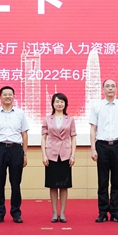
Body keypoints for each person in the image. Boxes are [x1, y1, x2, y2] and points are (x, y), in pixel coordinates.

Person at [89, 79, 118, 223]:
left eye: (113, 86)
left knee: (116, 181)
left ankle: (115, 212)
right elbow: (93, 129)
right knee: (102, 181)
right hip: (101, 145)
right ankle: (102, 212)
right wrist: (93, 148)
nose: (110, 88)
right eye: (107, 86)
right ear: (103, 89)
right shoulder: (97, 106)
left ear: (116, 89)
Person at [0, 86, 29, 223]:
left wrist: (25, 154)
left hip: (16, 149)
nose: (7, 97)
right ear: (0, 97)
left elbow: (24, 134)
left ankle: (16, 213)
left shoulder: (20, 114)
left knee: (15, 183)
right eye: (4, 94)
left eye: (10, 94)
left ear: (14, 96)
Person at [41, 93, 77, 223]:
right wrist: (44, 155)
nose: (59, 104)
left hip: (65, 154)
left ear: (65, 104)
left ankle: (62, 213)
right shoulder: (47, 119)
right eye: (57, 101)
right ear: (53, 103)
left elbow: (73, 138)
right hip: (51, 154)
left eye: (62, 102)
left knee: (64, 186)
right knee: (52, 185)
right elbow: (43, 138)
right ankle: (54, 212)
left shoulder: (70, 119)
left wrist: (73, 155)